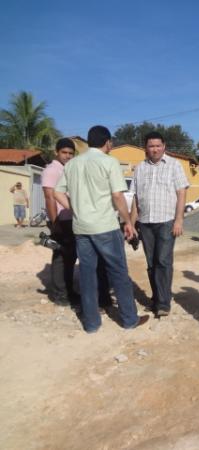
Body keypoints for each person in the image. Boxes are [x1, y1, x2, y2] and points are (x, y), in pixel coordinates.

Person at [54, 125, 149, 333]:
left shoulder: (72, 164)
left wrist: (76, 209)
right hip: (105, 226)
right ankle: (129, 319)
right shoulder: (109, 162)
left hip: (82, 228)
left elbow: (57, 193)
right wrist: (129, 223)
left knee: (87, 276)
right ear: (108, 143)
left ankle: (91, 323)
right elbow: (117, 196)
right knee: (119, 273)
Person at [130, 131, 189, 317]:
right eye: (150, 146)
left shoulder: (174, 165)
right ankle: (156, 299)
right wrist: (131, 224)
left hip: (166, 221)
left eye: (157, 146)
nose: (154, 149)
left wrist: (179, 219)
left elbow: (181, 193)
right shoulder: (140, 168)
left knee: (163, 261)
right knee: (151, 263)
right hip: (146, 222)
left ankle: (163, 303)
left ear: (164, 146)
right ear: (145, 148)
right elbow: (135, 199)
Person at [41, 138, 77, 306]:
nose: (67, 156)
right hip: (60, 220)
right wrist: (54, 223)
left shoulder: (67, 169)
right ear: (57, 152)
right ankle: (60, 294)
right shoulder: (51, 170)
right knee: (61, 257)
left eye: (71, 153)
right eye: (64, 152)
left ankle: (68, 290)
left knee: (70, 256)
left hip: (70, 219)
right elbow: (49, 197)